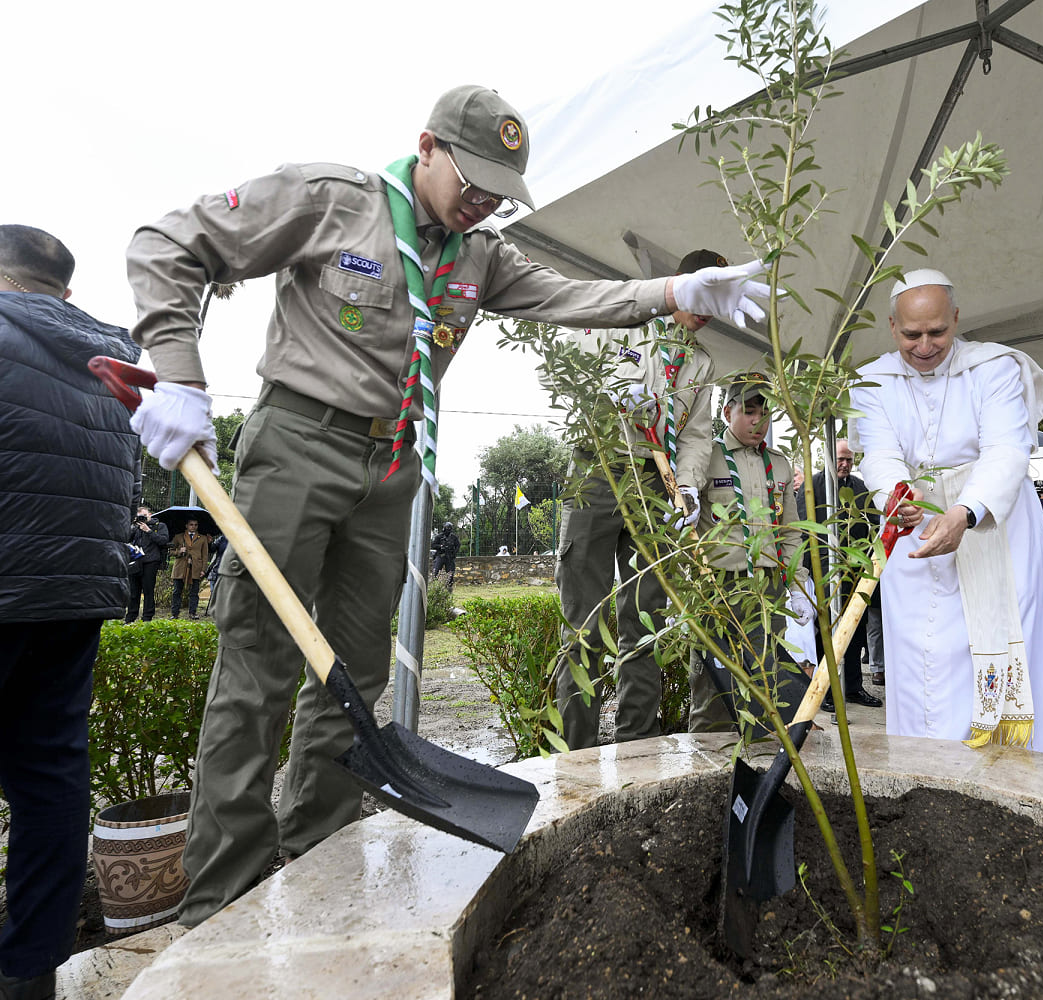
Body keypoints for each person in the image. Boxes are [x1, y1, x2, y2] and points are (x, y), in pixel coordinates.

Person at [124, 85, 770, 928]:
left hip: (392, 467)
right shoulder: (333, 201)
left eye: (501, 191)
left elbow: (576, 298)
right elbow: (168, 241)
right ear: (426, 146)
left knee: (353, 673)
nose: (484, 201)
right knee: (260, 668)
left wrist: (678, 296)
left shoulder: (481, 255)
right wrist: (175, 367)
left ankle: (315, 853)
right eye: (473, 180)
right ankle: (225, 900)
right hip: (298, 444)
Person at [850, 269, 1043, 767]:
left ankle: (1023, 763)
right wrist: (898, 494)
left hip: (997, 525)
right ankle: (931, 761)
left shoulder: (995, 367)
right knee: (925, 654)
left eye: (937, 332)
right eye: (911, 334)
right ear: (892, 327)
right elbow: (875, 451)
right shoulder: (872, 379)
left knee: (1016, 641)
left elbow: (1007, 449)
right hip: (911, 522)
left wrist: (967, 511)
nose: (924, 346)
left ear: (956, 319)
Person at [0, 225, 139, 1000]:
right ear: (66, 292)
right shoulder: (107, 362)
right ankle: (30, 974)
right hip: (73, 596)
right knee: (50, 778)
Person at [553, 248, 730, 749]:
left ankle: (637, 747)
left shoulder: (700, 363)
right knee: (584, 621)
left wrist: (690, 485)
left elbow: (697, 434)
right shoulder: (626, 319)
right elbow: (572, 359)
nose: (706, 310)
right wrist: (611, 391)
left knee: (644, 622)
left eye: (717, 301)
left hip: (657, 488)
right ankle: (576, 755)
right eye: (702, 294)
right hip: (599, 470)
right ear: (678, 282)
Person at [687, 373, 812, 731]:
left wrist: (797, 587)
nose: (758, 420)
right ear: (728, 412)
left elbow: (790, 531)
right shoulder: (705, 459)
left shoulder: (780, 464)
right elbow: (687, 527)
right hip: (719, 589)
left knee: (765, 680)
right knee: (711, 687)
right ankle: (707, 764)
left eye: (765, 412)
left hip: (767, 591)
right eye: (749, 410)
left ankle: (758, 751)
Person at [803, 439, 882, 710]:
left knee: (856, 633)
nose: (845, 465)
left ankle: (852, 687)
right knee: (825, 635)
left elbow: (873, 529)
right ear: (827, 458)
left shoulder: (860, 488)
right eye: (840, 459)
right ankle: (824, 691)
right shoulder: (812, 488)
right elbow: (804, 533)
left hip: (855, 575)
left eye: (849, 460)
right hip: (824, 577)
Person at [125, 506, 170, 623]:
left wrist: (148, 531)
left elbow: (163, 541)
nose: (142, 519)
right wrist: (133, 526)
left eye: (144, 516)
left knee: (148, 590)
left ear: (150, 514)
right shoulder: (135, 527)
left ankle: (147, 618)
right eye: (139, 517)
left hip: (150, 562)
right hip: (135, 562)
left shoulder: (159, 526)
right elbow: (125, 539)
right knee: (133, 592)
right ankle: (130, 618)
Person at [168, 518, 210, 619]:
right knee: (177, 591)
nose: (193, 527)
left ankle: (192, 613)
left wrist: (203, 569)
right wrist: (179, 551)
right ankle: (175, 613)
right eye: (191, 524)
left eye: (196, 525)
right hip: (180, 568)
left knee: (194, 592)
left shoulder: (203, 538)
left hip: (196, 568)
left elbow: (205, 555)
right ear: (186, 525)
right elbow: (170, 551)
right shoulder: (179, 537)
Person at [431, 521, 459, 586]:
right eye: (447, 529)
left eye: (449, 529)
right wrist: (440, 547)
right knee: (436, 572)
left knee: (450, 574)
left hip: (449, 557)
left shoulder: (454, 537)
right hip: (440, 556)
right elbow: (433, 545)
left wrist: (454, 553)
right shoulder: (439, 537)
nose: (448, 531)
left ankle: (449, 587)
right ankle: (434, 586)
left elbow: (458, 545)